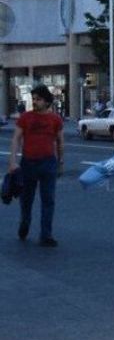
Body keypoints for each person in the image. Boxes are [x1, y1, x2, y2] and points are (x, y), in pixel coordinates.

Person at [7, 85, 64, 246]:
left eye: (38, 99)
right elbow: (16, 139)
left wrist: (61, 162)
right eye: (33, 99)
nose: (35, 102)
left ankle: (46, 235)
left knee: (48, 200)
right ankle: (24, 224)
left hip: (48, 163)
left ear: (47, 101)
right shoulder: (25, 117)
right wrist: (12, 161)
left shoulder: (55, 119)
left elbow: (60, 142)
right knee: (26, 199)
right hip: (28, 163)